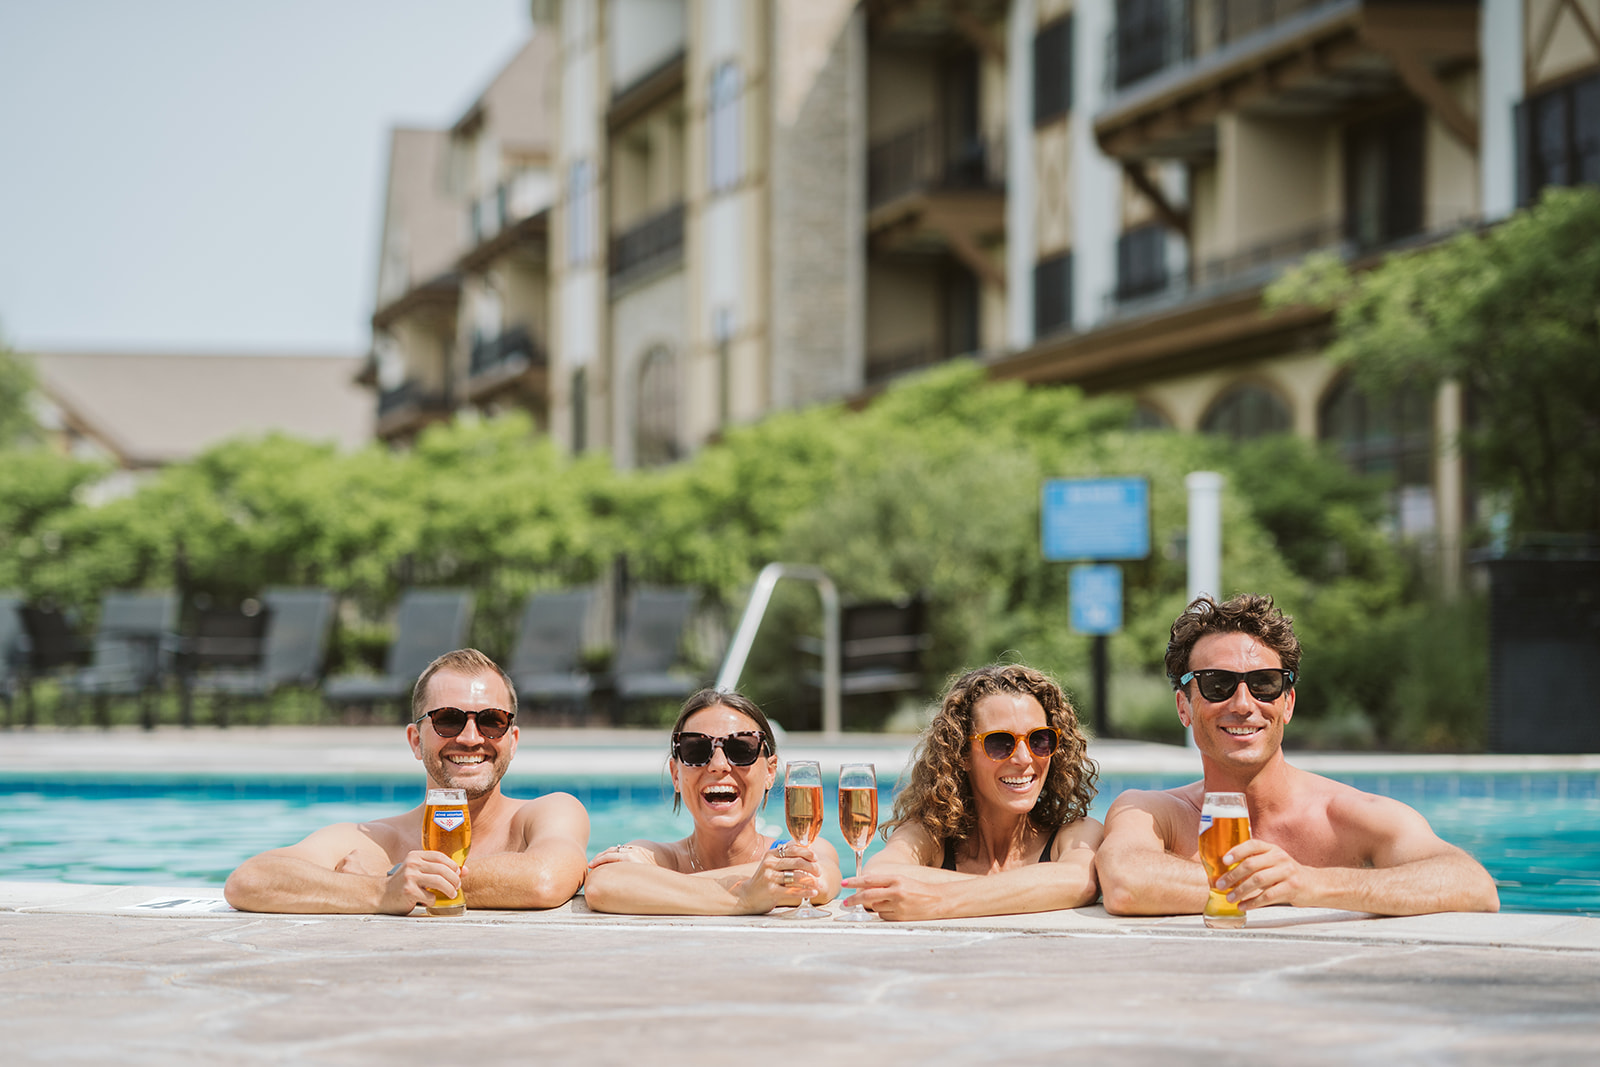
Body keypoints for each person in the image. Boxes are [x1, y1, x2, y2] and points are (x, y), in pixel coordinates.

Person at [1097, 593, 1499, 917]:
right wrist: (1270, 885)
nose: (1243, 703)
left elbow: (1471, 883)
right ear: (1184, 706)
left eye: (1265, 684)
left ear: (1287, 703)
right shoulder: (1153, 813)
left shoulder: (1349, 816)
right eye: (1217, 684)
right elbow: (1126, 883)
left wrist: (1308, 883)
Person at [224, 648, 590, 914]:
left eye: (492, 720)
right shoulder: (377, 839)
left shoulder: (547, 812)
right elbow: (249, 880)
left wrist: (397, 877)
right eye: (448, 719)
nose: (470, 737)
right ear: (416, 741)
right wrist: (379, 892)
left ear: (512, 740)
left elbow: (546, 878)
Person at [843, 664, 1103, 921]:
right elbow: (877, 879)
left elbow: (1081, 880)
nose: (1024, 758)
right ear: (962, 754)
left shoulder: (1076, 834)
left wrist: (939, 899)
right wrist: (1034, 888)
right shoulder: (929, 838)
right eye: (1000, 742)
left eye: (1040, 739)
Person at [584, 688, 842, 915]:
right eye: (696, 750)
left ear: (770, 773)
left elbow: (819, 879)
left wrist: (656, 881)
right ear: (676, 775)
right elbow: (602, 884)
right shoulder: (658, 855)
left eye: (742, 749)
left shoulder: (807, 846)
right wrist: (743, 896)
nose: (719, 766)